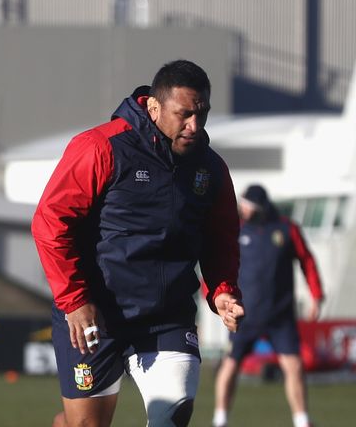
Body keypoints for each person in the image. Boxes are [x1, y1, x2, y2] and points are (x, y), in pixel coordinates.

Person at [32, 59, 245, 427]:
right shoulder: (100, 147)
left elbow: (220, 238)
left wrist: (222, 291)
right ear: (153, 106)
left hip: (168, 318)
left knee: (172, 415)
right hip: (95, 313)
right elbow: (50, 223)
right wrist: (75, 301)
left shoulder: (210, 169)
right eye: (184, 114)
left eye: (202, 114)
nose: (195, 126)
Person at [212, 184, 324, 427]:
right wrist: (213, 294)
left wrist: (316, 295)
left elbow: (307, 261)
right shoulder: (236, 229)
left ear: (259, 207)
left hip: (280, 315)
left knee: (293, 366)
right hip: (244, 315)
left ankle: (301, 420)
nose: (242, 208)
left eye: (247, 205)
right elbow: (218, 263)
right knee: (230, 365)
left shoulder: (286, 228)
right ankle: (220, 419)